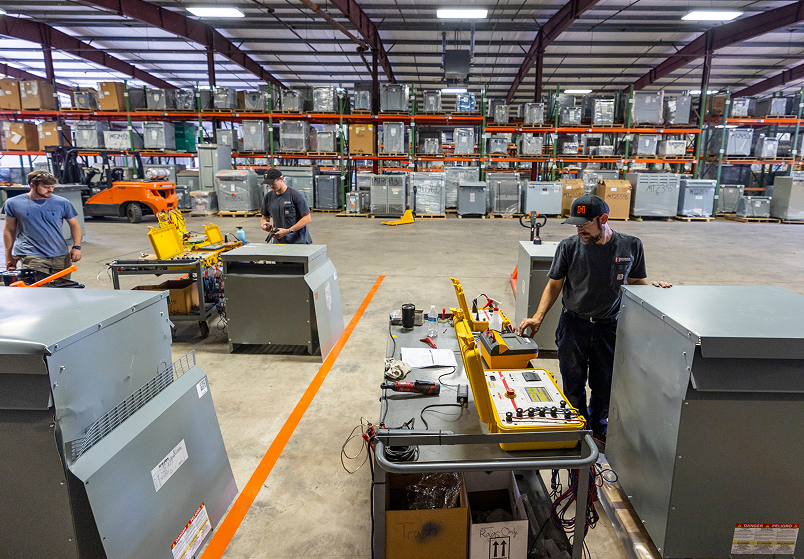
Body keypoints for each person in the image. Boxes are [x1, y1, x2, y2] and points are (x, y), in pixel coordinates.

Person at [516, 195, 671, 442]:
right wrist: (538, 317)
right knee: (572, 382)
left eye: (584, 224)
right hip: (573, 326)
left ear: (603, 219)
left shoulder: (630, 246)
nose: (579, 230)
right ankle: (576, 428)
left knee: (604, 385)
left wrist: (655, 289)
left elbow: (636, 283)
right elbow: (554, 285)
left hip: (608, 328)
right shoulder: (568, 247)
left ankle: (598, 427)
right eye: (576, 225)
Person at [3, 170, 82, 277]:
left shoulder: (62, 203)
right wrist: (8, 254)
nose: (50, 190)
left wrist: (76, 247)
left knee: (64, 290)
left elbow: (75, 225)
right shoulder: (13, 203)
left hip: (61, 255)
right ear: (32, 185)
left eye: (52, 186)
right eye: (46, 187)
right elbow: (9, 229)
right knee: (39, 291)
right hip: (32, 256)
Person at [260, 169, 312, 244]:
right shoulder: (268, 197)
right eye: (268, 184)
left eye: (272, 183)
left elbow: (307, 218)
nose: (270, 186)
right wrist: (264, 225)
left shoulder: (295, 195)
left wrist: (288, 231)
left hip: (298, 242)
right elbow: (264, 217)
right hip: (279, 241)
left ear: (281, 179)